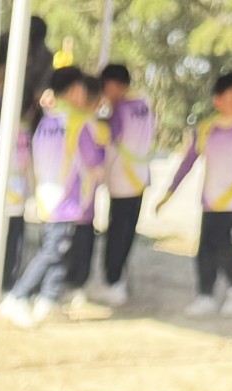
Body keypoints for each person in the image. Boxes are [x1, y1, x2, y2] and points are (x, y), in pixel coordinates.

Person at [158, 71, 232, 316]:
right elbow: (187, 163)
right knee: (206, 250)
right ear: (217, 100)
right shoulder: (205, 129)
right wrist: (169, 192)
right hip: (210, 204)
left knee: (228, 249)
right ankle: (205, 294)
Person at [0, 67, 109, 326]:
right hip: (66, 200)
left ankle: (47, 301)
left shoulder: (45, 120)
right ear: (75, 90)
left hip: (47, 198)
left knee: (59, 251)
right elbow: (94, 160)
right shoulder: (77, 122)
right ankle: (17, 296)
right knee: (52, 251)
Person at [90, 61, 155, 307]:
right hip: (140, 177)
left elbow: (108, 135)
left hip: (122, 179)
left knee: (117, 232)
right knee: (127, 231)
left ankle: (112, 282)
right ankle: (119, 280)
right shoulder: (145, 104)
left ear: (115, 85)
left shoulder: (119, 110)